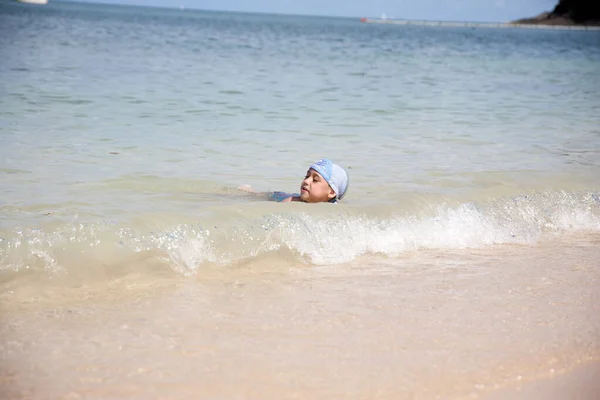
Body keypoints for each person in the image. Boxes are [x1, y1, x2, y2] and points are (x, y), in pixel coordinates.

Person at [239, 158, 349, 203]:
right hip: (280, 197)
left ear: (331, 192)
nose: (306, 181)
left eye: (315, 180)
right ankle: (251, 192)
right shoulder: (292, 201)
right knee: (260, 196)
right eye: (307, 176)